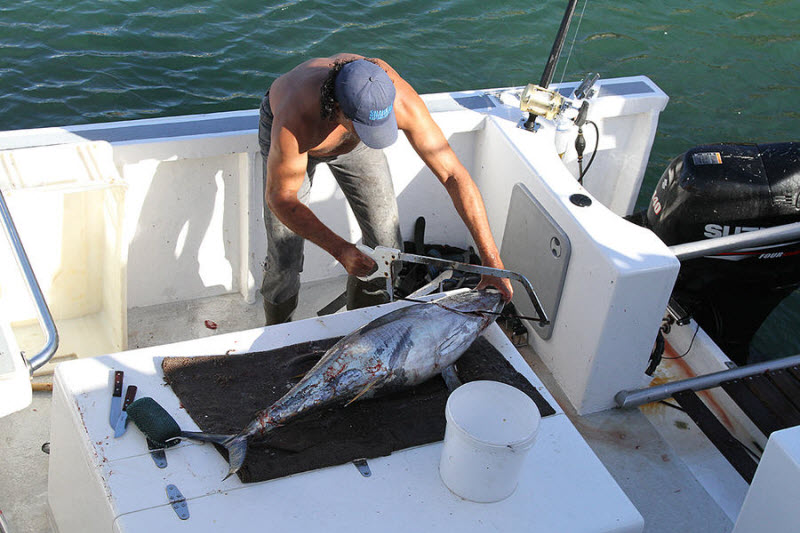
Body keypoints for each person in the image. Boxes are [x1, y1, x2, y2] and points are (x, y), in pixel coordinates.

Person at [259, 53, 513, 325]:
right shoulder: (296, 116)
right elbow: (281, 198)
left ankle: (362, 329)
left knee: (386, 249)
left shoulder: (399, 100)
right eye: (366, 126)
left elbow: (453, 174)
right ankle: (276, 334)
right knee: (284, 258)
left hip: (355, 145)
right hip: (300, 142)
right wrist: (340, 250)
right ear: (337, 109)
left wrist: (492, 262)